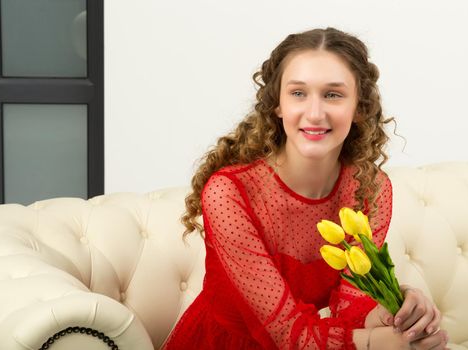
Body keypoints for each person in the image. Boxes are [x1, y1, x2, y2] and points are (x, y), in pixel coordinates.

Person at [164, 27, 449, 350]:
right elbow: (291, 335)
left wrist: (398, 311)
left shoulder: (370, 189)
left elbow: (350, 307)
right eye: (298, 93)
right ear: (277, 105)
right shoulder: (228, 193)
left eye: (333, 94)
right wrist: (376, 343)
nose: (314, 114)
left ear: (359, 108)